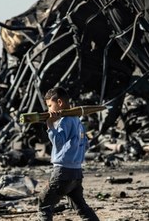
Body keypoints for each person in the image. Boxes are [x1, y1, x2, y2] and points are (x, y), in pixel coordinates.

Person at [36, 87, 99, 221]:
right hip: (76, 172)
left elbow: (59, 143)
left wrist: (50, 125)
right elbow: (85, 143)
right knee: (81, 207)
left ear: (59, 102)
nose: (48, 110)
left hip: (62, 172)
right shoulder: (77, 121)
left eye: (49, 106)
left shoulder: (64, 121)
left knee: (44, 204)